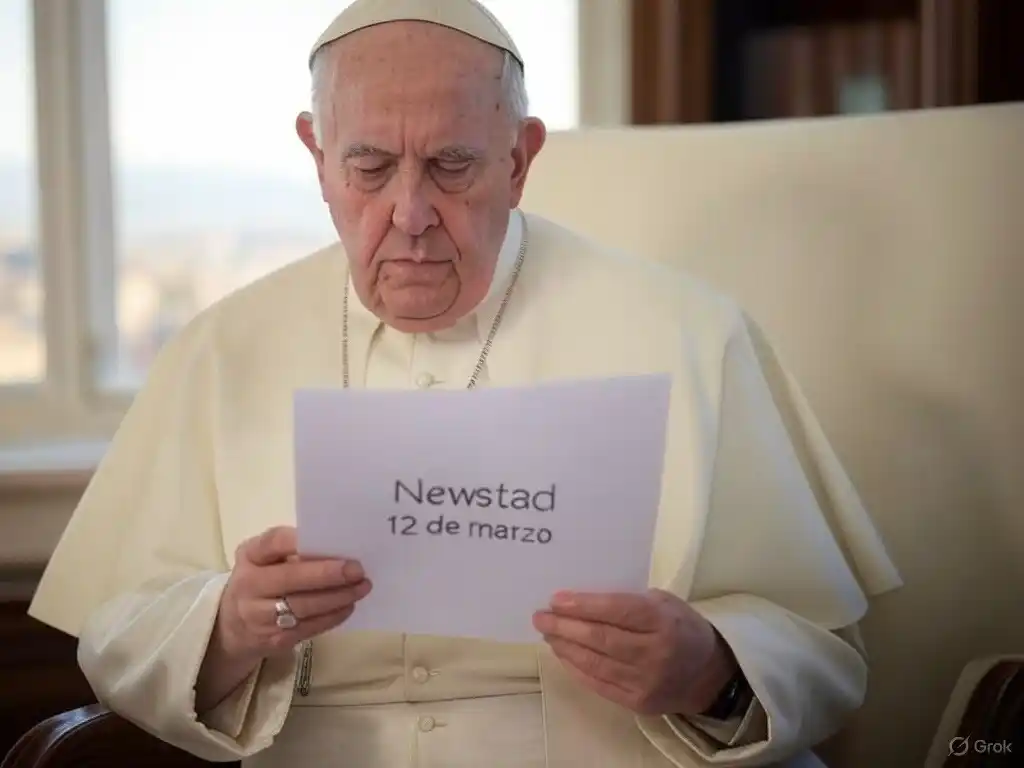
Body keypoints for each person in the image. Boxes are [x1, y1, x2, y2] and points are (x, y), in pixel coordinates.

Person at [27, 1, 903, 766]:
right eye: (369, 167)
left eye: (452, 166)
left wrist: (707, 669)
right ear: (317, 155)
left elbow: (822, 651)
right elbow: (119, 640)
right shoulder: (220, 350)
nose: (409, 216)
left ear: (519, 159)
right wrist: (228, 626)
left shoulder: (690, 334)